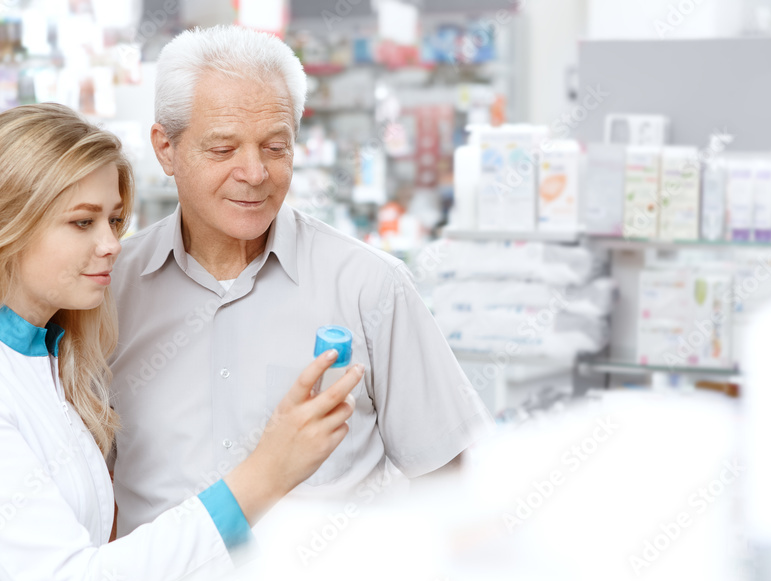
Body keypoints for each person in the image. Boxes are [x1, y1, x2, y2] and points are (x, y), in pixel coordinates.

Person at [0, 102, 363, 581]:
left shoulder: (49, 359)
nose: (110, 244)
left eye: (115, 220)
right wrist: (265, 473)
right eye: (82, 222)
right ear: (5, 224)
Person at [108, 25, 493, 538]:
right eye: (223, 149)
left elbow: (449, 479)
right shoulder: (109, 290)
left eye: (275, 147)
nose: (254, 172)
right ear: (166, 148)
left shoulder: (369, 286)